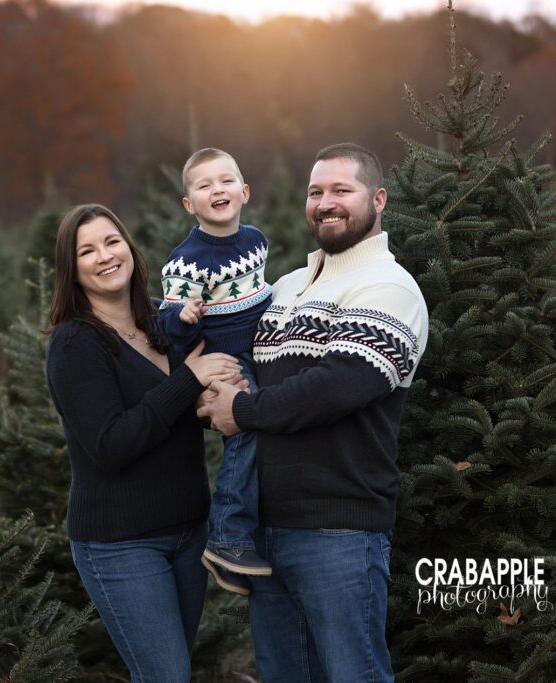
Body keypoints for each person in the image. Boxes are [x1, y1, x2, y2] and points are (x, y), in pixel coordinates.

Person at [198, 143, 429, 682]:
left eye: (341, 191)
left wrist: (245, 410)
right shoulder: (285, 288)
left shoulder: (389, 287)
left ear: (378, 199)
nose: (326, 203)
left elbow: (335, 387)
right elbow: (238, 363)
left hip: (339, 530)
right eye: (316, 192)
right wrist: (207, 388)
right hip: (266, 530)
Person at [44, 203, 243, 682]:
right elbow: (111, 445)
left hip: (189, 532)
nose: (104, 256)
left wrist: (224, 402)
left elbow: (177, 417)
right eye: (86, 251)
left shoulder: (164, 321)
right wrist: (189, 380)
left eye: (111, 242)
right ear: (72, 270)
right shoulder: (76, 344)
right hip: (121, 543)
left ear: (129, 249)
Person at [158, 148, 273, 595]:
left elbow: (258, 292)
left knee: (267, 428)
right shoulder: (187, 260)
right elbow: (167, 322)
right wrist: (182, 316)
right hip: (227, 360)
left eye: (226, 181)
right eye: (204, 186)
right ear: (190, 204)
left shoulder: (256, 240)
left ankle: (251, 528)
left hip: (263, 349)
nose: (217, 190)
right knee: (246, 429)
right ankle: (227, 538)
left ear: (244, 192)